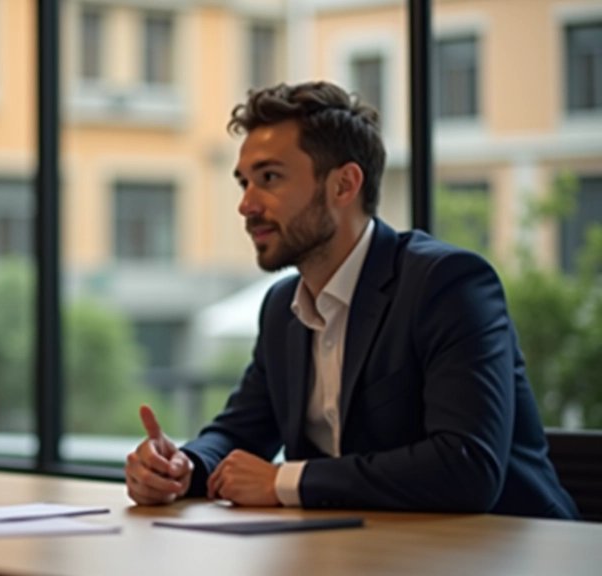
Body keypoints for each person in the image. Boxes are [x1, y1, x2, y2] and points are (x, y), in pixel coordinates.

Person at [124, 81, 578, 519]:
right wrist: (182, 468)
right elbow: (239, 432)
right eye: (244, 182)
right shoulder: (283, 307)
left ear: (344, 185)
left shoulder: (447, 284)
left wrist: (285, 482)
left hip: (513, 550)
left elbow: (466, 467)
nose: (247, 204)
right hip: (368, 549)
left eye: (270, 178)